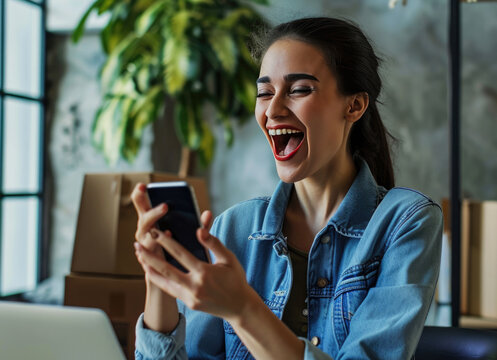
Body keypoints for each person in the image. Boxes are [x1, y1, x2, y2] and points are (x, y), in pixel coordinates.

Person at [131, 17, 442, 360]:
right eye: (264, 93)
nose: (273, 110)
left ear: (354, 106)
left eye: (299, 90)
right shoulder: (235, 227)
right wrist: (160, 280)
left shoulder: (406, 222)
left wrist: (244, 309)